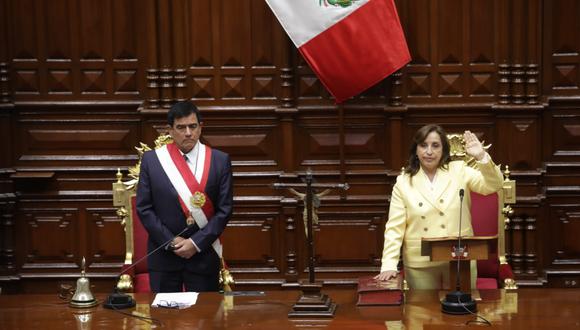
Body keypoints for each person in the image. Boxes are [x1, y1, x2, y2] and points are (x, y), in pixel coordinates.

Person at [375, 124, 503, 289]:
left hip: (459, 256)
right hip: (420, 261)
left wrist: (481, 157)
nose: (429, 151)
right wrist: (389, 264)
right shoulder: (404, 182)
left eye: (435, 145)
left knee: (462, 310)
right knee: (422, 313)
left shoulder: (460, 170)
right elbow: (394, 227)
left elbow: (493, 186)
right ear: (416, 149)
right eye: (423, 145)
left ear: (444, 149)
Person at [136, 101, 233, 292]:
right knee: (165, 318)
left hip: (203, 256)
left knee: (204, 319)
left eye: (193, 126)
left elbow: (225, 210)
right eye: (181, 127)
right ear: (170, 130)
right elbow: (144, 208)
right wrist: (170, 241)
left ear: (200, 127)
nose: (188, 133)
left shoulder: (219, 161)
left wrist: (195, 243)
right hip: (164, 257)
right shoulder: (152, 161)